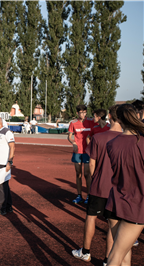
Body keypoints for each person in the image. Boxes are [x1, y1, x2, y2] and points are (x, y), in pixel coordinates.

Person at [72, 105, 122, 265]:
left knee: (91, 218)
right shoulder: (128, 139)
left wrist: (97, 179)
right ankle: (108, 259)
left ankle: (86, 252)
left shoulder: (99, 138)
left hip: (99, 186)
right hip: (118, 189)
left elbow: (91, 166)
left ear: (110, 117)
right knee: (113, 224)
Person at [104, 104, 144, 266]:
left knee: (124, 252)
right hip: (135, 205)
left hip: (115, 201)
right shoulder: (141, 142)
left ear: (118, 119)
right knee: (116, 255)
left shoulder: (112, 144)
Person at [67, 105, 96, 204]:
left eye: (84, 112)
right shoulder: (73, 123)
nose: (83, 114)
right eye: (81, 112)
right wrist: (73, 143)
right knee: (78, 174)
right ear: (77, 113)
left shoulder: (91, 121)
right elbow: (69, 137)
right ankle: (79, 195)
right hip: (77, 152)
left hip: (87, 152)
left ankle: (88, 195)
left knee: (87, 174)